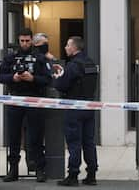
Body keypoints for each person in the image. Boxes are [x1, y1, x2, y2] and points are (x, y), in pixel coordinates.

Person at [0, 28, 52, 183]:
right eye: (22, 41)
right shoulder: (11, 58)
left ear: (32, 41)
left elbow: (48, 79)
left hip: (34, 99)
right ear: (18, 40)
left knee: (36, 136)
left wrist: (33, 79)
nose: (25, 43)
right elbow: (1, 76)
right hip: (15, 98)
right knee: (13, 136)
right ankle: (13, 170)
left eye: (27, 40)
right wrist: (13, 78)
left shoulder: (40, 58)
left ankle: (40, 170)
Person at [53, 36, 99, 186]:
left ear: (74, 48)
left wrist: (57, 78)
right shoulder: (91, 63)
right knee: (89, 142)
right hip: (89, 107)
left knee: (74, 142)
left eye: (67, 45)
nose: (65, 48)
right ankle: (91, 174)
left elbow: (62, 85)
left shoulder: (73, 65)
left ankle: (73, 175)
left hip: (74, 107)